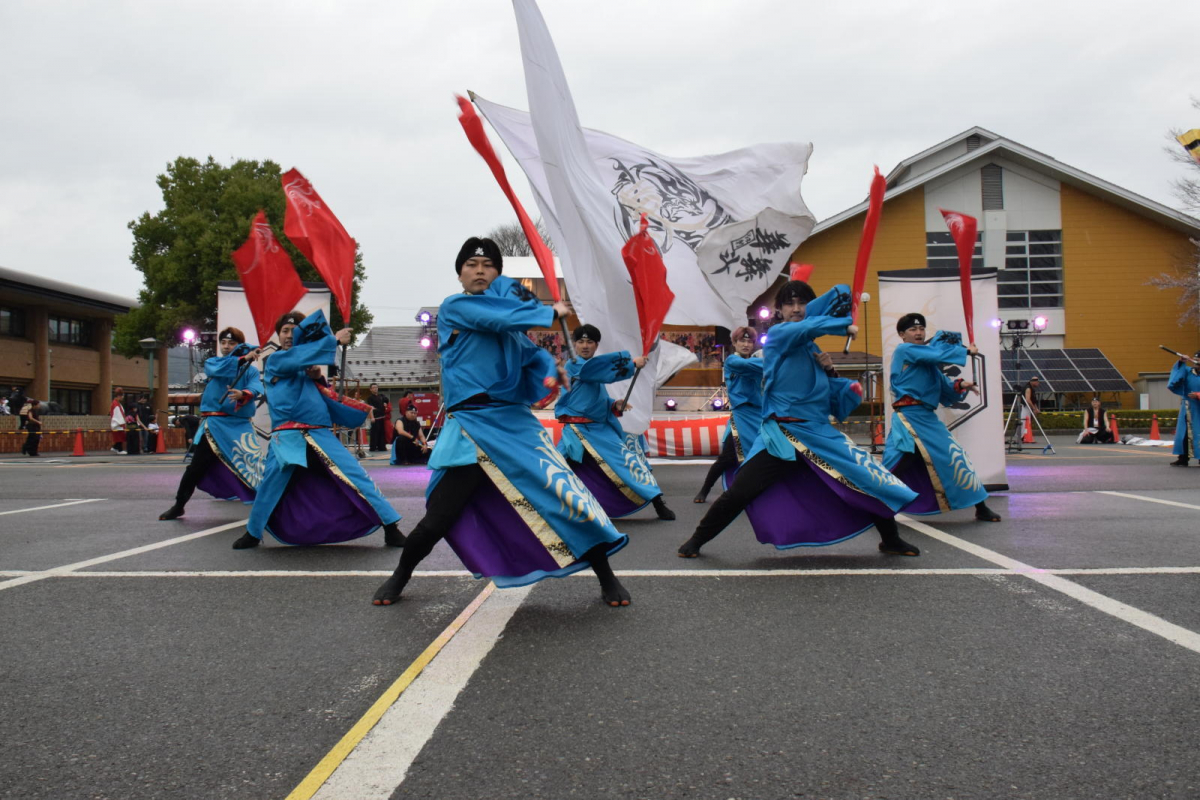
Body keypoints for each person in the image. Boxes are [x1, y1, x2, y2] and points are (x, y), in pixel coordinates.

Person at [373, 237, 630, 608]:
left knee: (568, 498)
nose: (480, 271)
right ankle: (400, 576)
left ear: (497, 274)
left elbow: (535, 357)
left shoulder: (513, 330)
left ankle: (606, 578)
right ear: (460, 273)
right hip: (472, 427)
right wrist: (546, 311)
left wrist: (551, 372)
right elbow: (492, 316)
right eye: (472, 265)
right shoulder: (456, 307)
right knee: (438, 519)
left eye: (489, 266)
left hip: (515, 424)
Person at [677, 281, 920, 559]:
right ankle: (696, 540)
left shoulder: (813, 351)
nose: (796, 308)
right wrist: (838, 324)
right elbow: (804, 328)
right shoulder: (780, 336)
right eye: (789, 303)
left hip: (819, 433)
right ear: (779, 310)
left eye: (802, 302)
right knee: (740, 491)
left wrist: (832, 373)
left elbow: (833, 404)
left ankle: (890, 539)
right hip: (782, 434)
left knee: (865, 478)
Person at [232, 310, 404, 549]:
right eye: (284, 331)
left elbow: (323, 398)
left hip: (319, 433)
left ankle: (391, 527)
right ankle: (253, 532)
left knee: (354, 475)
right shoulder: (276, 361)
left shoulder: (309, 368)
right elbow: (294, 359)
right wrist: (333, 340)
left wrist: (318, 379)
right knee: (271, 483)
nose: (290, 335)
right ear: (278, 336)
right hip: (287, 434)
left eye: (295, 331)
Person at [881, 315, 1001, 522]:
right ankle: (873, 502)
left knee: (955, 458)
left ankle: (980, 506)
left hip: (925, 417)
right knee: (899, 461)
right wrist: (965, 351)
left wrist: (961, 385)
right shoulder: (904, 351)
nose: (918, 332)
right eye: (912, 329)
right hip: (909, 417)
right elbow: (934, 354)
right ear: (902, 335)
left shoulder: (927, 362)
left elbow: (946, 388)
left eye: (921, 328)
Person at [554, 324, 675, 521]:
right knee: (556, 468)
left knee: (629, 463)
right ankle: (544, 507)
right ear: (574, 344)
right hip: (576, 430)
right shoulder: (575, 365)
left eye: (590, 342)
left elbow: (593, 399)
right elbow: (594, 371)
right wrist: (631, 364)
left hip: (599, 429)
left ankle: (657, 502)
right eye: (581, 341)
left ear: (596, 345)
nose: (585, 346)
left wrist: (613, 405)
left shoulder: (591, 368)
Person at [159, 327, 267, 520]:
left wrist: (244, 394)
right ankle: (179, 504)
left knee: (254, 466)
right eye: (223, 343)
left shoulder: (249, 371)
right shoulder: (215, 362)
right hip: (214, 425)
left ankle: (272, 505)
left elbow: (256, 388)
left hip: (238, 426)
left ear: (240, 345)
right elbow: (216, 369)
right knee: (196, 467)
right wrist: (242, 358)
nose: (226, 347)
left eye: (231, 343)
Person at [694, 326, 763, 503]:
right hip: (741, 415)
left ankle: (753, 491)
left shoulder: (758, 362)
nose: (746, 344)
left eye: (750, 341)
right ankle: (704, 490)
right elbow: (752, 366)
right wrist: (775, 361)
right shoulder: (733, 361)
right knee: (727, 457)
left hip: (758, 415)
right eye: (742, 341)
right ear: (734, 343)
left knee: (761, 456)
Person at [1168, 351, 1200, 467]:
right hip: (1188, 407)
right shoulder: (1188, 372)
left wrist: (1198, 395)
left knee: (1198, 433)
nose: (1197, 361)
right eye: (1196, 359)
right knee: (1184, 433)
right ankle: (1183, 457)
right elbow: (1175, 380)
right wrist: (1181, 362)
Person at [366, 383, 388, 452]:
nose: (375, 388)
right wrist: (372, 417)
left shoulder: (381, 396)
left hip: (382, 417)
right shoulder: (370, 398)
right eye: (373, 387)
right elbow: (370, 408)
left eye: (376, 387)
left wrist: (385, 404)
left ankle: (381, 447)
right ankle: (373, 447)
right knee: (374, 433)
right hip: (375, 418)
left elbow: (386, 401)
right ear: (370, 389)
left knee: (381, 433)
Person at [109, 388, 126, 454]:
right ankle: (119, 449)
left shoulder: (116, 403)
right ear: (119, 396)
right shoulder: (116, 404)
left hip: (117, 423)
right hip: (118, 423)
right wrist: (122, 422)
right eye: (122, 396)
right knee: (119, 437)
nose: (122, 397)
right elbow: (118, 415)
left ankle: (115, 448)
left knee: (119, 437)